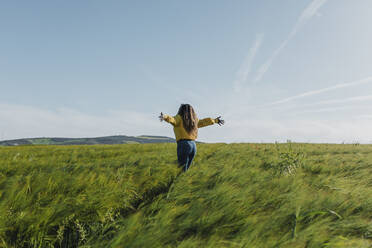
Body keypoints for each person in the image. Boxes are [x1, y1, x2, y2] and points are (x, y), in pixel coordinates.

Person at [159, 104, 224, 171]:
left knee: (181, 169)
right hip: (193, 145)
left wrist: (164, 116)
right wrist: (215, 120)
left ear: (181, 110)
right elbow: (204, 122)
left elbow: (172, 119)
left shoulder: (179, 118)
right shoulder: (194, 121)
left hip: (183, 144)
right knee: (186, 170)